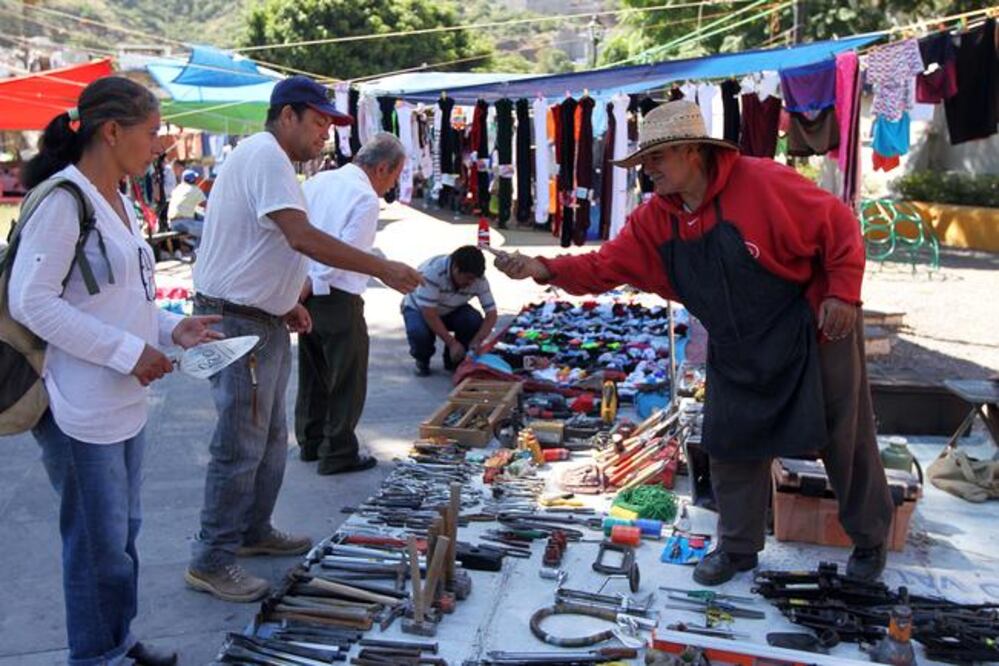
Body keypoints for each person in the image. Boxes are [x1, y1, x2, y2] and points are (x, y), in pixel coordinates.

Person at [494, 100, 894, 586]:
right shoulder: (654, 219)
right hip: (735, 341)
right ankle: (739, 549)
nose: (647, 172)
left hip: (812, 326)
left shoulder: (762, 183)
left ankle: (870, 541)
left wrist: (843, 293)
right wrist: (544, 269)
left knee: (844, 436)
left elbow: (840, 225)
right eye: (643, 163)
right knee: (730, 442)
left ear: (691, 152)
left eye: (656, 160)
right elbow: (604, 267)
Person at [8, 76, 223, 666]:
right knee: (97, 545)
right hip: (77, 402)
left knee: (120, 538)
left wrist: (169, 329)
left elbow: (124, 298)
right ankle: (96, 655)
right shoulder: (63, 200)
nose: (160, 145)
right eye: (153, 133)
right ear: (111, 131)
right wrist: (128, 353)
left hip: (121, 398)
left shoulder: (120, 200)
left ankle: (116, 642)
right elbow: (33, 302)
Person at [186, 76, 422, 603]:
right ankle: (211, 558)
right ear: (287, 116)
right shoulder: (267, 156)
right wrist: (380, 267)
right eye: (318, 123)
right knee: (240, 442)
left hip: (259, 317)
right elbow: (302, 236)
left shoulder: (277, 163)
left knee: (268, 439)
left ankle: (252, 530)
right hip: (238, 321)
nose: (325, 136)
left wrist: (287, 297)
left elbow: (264, 242)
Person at [296, 133, 406, 474]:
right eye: (394, 178)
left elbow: (298, 236)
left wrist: (300, 286)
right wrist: (312, 283)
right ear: (382, 168)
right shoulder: (364, 197)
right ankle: (338, 451)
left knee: (314, 373)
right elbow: (342, 254)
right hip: (334, 295)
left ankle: (311, 441)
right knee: (346, 378)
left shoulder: (320, 181)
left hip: (304, 290)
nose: (390, 187)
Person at [402, 245, 498, 377]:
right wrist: (451, 342)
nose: (471, 283)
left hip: (452, 309)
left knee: (472, 320)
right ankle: (422, 358)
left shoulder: (478, 279)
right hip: (419, 309)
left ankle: (454, 360)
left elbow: (491, 314)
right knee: (419, 332)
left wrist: (476, 341)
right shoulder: (432, 272)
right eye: (468, 278)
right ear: (456, 269)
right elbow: (429, 313)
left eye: (474, 279)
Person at [167, 168, 207, 240]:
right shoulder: (195, 189)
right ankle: (199, 250)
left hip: (172, 223)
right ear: (193, 180)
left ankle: (197, 248)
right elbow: (207, 206)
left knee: (200, 217)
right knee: (209, 229)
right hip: (184, 223)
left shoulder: (177, 188)